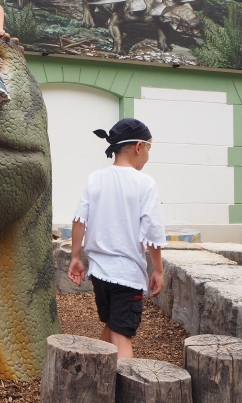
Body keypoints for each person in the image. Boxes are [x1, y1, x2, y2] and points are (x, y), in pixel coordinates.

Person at [67, 118, 166, 359]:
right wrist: (158, 270)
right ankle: (124, 381)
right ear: (139, 147)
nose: (148, 155)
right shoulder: (145, 183)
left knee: (112, 325)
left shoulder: (96, 178)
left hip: (100, 274)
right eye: (149, 148)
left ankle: (91, 370)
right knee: (122, 336)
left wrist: (76, 257)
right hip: (126, 275)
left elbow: (79, 220)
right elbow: (152, 232)